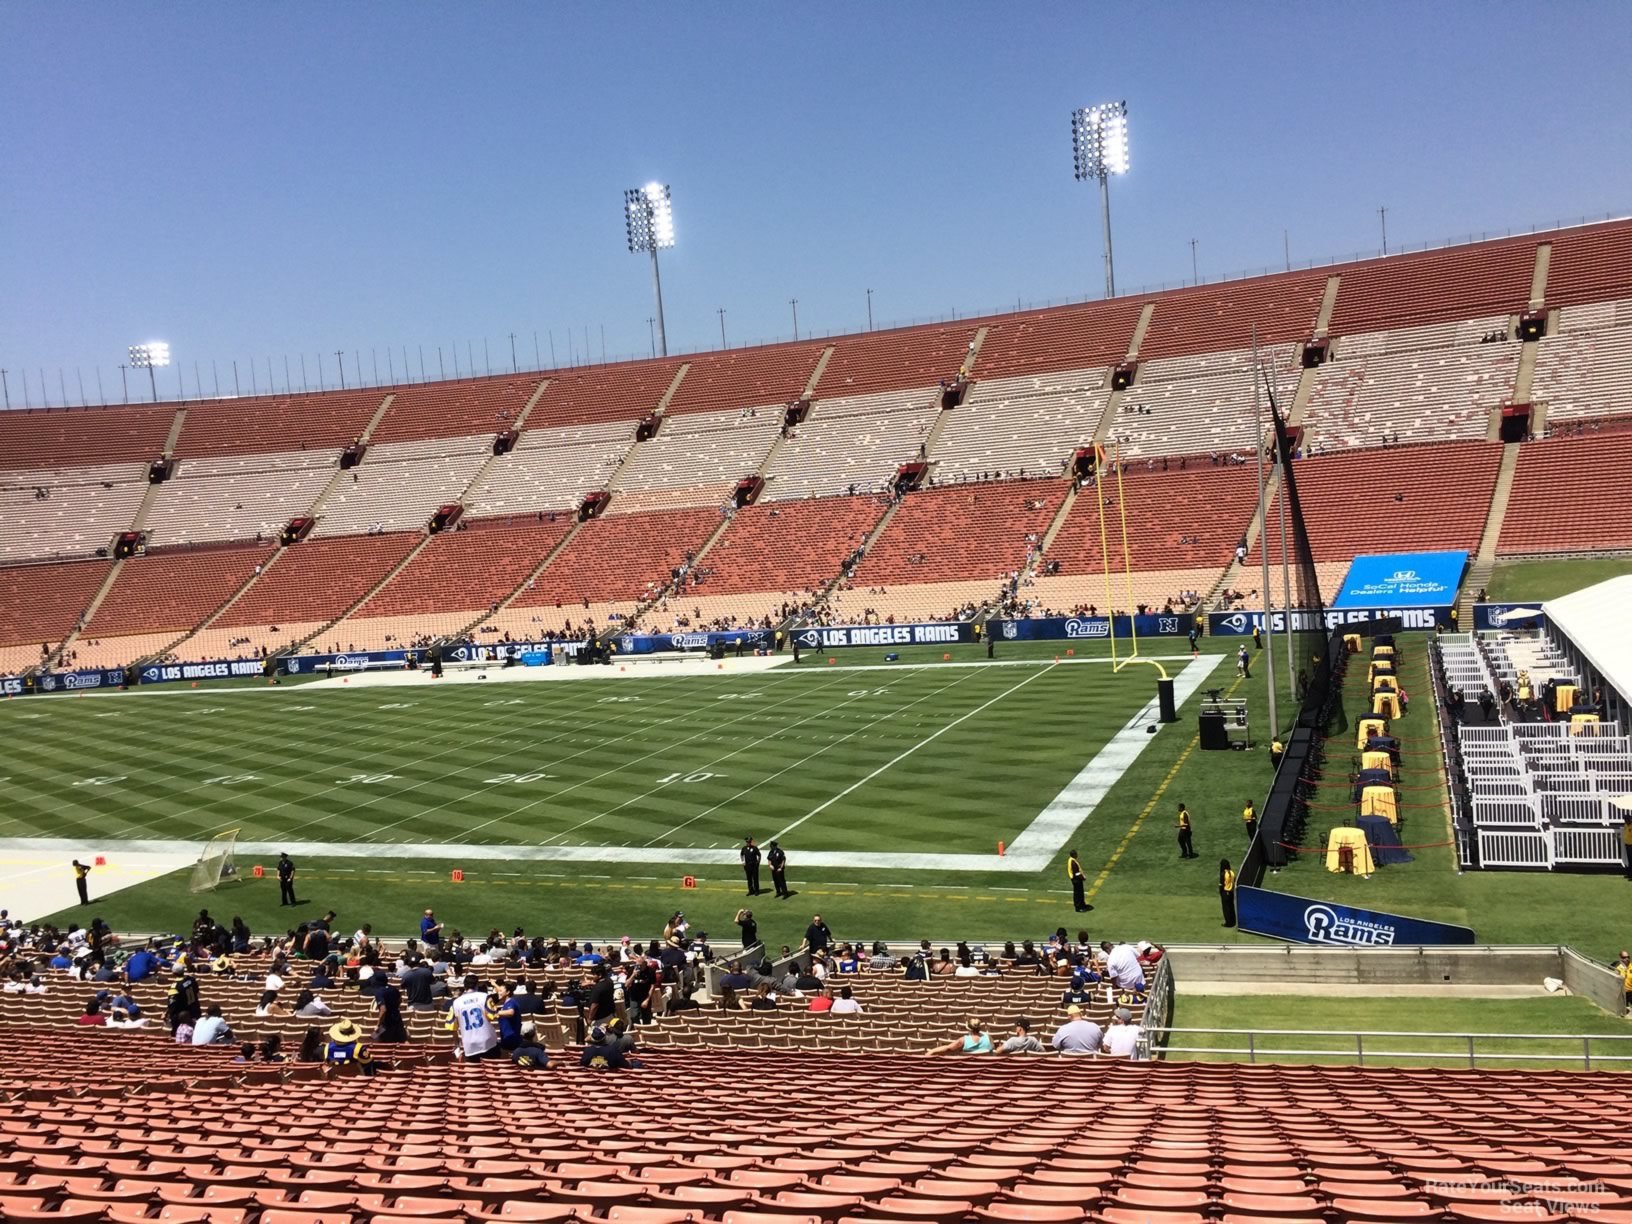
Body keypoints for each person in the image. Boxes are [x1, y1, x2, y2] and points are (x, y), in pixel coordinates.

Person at [449, 975, 501, 1060]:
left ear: (464, 986)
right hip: (488, 1041)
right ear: (477, 985)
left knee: (475, 1072)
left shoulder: (456, 1003)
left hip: (469, 1044)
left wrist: (457, 1045)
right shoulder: (484, 997)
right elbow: (492, 1016)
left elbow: (452, 1027)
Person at [928, 1018, 993, 1054]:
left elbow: (948, 1048)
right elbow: (992, 1049)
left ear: (968, 1028)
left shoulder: (963, 1040)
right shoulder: (988, 1037)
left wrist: (932, 1051)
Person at [1219, 858, 1238, 928]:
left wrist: (1221, 892)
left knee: (1226, 908)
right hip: (1231, 893)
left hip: (1225, 892)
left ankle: (1228, 923)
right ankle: (1233, 921)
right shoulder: (1232, 872)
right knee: (1231, 907)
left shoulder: (1223, 873)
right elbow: (1234, 881)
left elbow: (1221, 884)